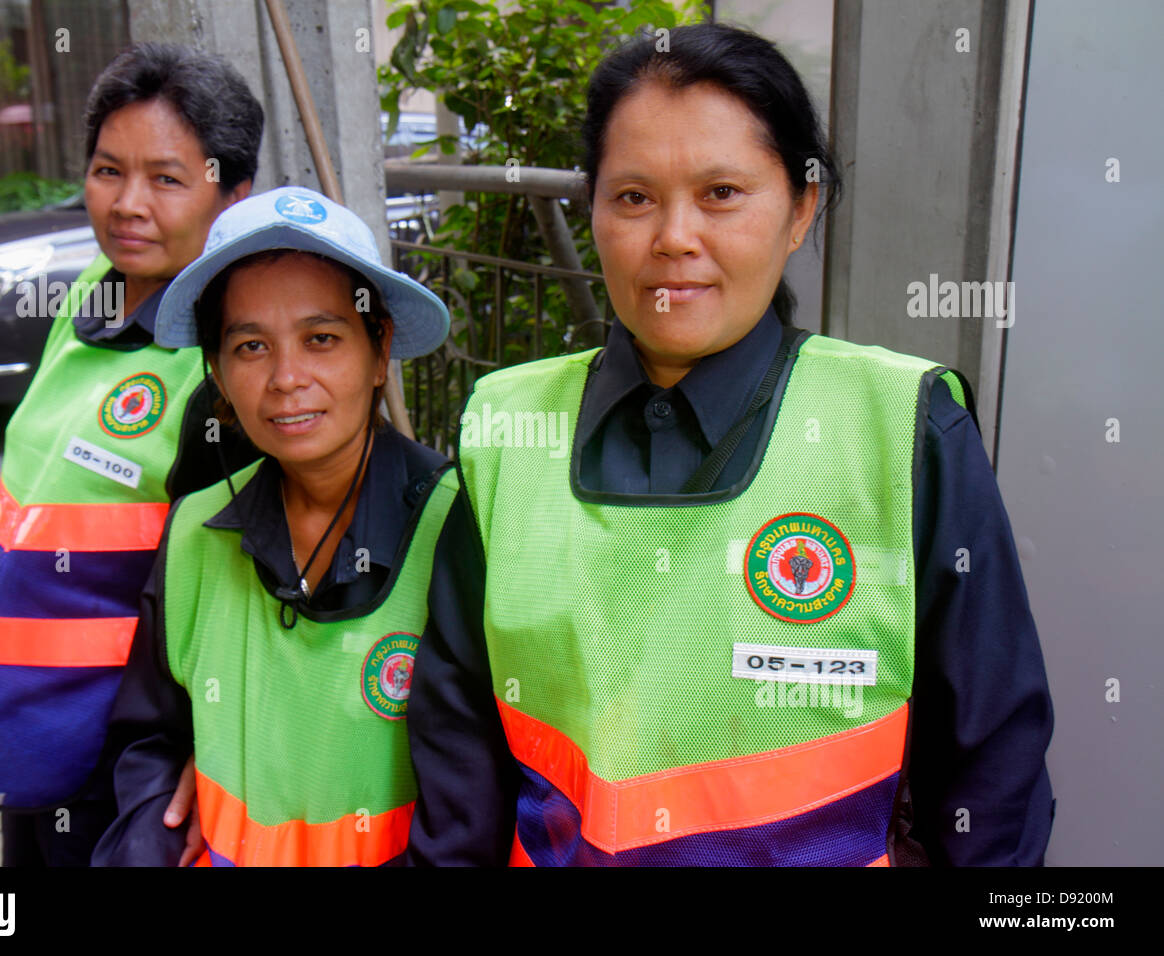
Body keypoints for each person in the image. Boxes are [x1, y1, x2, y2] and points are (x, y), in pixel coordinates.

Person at [405, 23, 1055, 866]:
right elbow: (461, 758)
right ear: (593, 209)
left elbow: (992, 778)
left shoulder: (903, 427)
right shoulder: (505, 431)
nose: (674, 237)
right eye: (634, 197)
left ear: (800, 209)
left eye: (721, 193)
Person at [0, 43, 264, 866]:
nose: (127, 205)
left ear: (232, 194)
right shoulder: (92, 293)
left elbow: (238, 596)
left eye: (166, 178)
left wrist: (211, 748)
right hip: (22, 721)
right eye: (106, 170)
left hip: (125, 766)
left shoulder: (225, 364)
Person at [90, 186, 455, 867]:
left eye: (321, 339)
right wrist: (155, 829)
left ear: (380, 354)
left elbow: (475, 807)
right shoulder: (196, 531)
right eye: (251, 346)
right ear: (218, 376)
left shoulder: (457, 533)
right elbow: (149, 740)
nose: (287, 378)